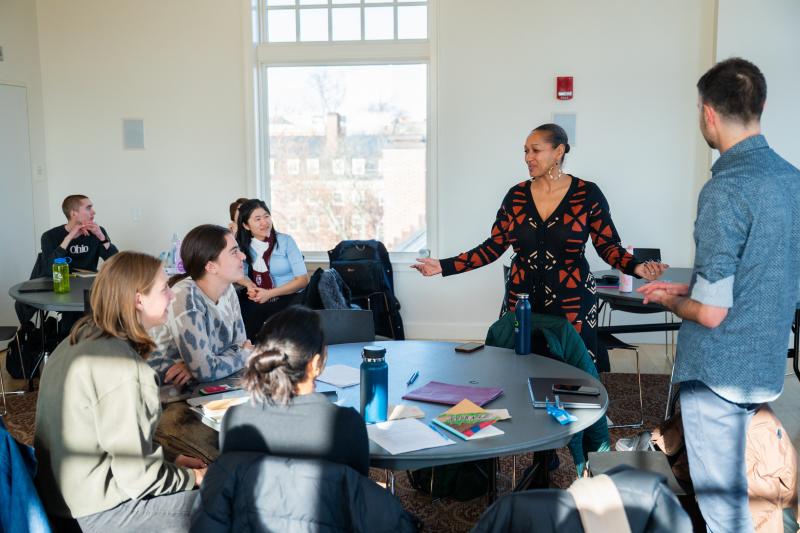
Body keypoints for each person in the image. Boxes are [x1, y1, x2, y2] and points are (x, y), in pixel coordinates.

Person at [639, 58, 800, 532]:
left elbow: (710, 314)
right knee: (745, 494)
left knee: (723, 510)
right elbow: (765, 270)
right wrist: (688, 286)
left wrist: (670, 301)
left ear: (707, 113)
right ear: (761, 105)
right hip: (764, 367)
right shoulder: (792, 181)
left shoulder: (725, 188)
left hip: (718, 374)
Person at [412, 124, 667, 364]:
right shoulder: (516, 196)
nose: (527, 157)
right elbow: (493, 246)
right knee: (516, 371)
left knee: (574, 377)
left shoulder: (587, 194)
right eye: (525, 151)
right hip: (522, 300)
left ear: (558, 151)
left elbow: (607, 245)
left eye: (535, 150)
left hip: (572, 303)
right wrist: (443, 266)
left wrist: (636, 267)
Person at [33, 251, 207, 532]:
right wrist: (193, 477)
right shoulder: (126, 371)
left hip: (56, 496)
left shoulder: (78, 337)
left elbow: (107, 437)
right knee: (220, 500)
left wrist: (171, 459)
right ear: (138, 299)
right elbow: (138, 478)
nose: (172, 296)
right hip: (93, 512)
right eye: (164, 289)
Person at [220, 305, 369, 475]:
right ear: (314, 364)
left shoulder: (234, 419)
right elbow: (357, 484)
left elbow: (232, 481)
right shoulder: (346, 424)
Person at [148, 224, 252, 385]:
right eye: (234, 252)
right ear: (211, 266)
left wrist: (200, 366)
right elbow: (207, 370)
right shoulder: (184, 296)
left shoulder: (228, 289)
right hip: (168, 391)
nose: (243, 256)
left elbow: (239, 344)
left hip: (208, 384)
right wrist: (245, 356)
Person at [235, 199, 310, 338]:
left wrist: (270, 294)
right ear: (246, 225)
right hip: (262, 297)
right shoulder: (244, 246)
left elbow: (303, 280)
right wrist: (250, 286)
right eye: (257, 219)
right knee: (245, 316)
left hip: (292, 297)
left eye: (266, 216)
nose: (264, 222)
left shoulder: (286, 241)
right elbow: (240, 274)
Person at [40, 194, 118, 272]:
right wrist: (68, 238)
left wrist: (101, 237)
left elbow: (117, 263)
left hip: (89, 282)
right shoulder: (49, 236)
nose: (94, 212)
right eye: (88, 208)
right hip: (62, 282)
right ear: (73, 213)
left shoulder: (97, 231)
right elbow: (49, 270)